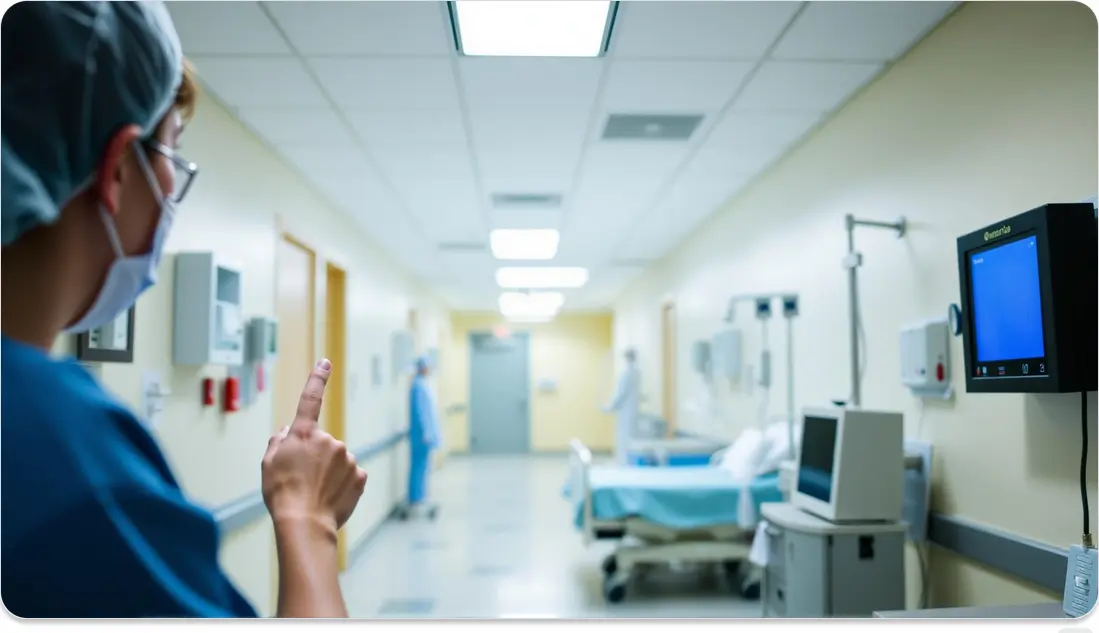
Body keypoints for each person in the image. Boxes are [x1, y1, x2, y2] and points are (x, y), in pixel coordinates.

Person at [0, 2, 366, 618]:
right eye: (169, 153)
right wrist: (308, 517)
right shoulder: (60, 454)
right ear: (117, 166)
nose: (171, 189)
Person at [404, 356, 441, 519]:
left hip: (423, 437)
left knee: (422, 468)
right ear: (422, 368)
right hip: (421, 437)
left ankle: (419, 498)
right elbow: (420, 413)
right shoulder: (418, 387)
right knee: (418, 469)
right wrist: (426, 432)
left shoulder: (421, 385)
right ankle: (416, 500)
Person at [604, 348, 641, 464]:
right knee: (630, 437)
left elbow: (621, 393)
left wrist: (610, 407)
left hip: (625, 412)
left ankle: (623, 463)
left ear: (626, 358)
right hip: (633, 411)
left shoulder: (626, 373)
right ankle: (627, 462)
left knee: (624, 439)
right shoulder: (637, 372)